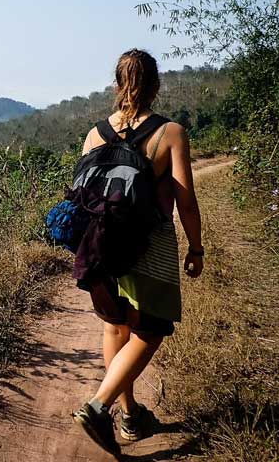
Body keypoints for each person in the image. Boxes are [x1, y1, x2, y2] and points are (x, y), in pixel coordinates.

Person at [72, 49, 204, 456]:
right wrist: (196, 246)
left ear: (116, 84)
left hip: (100, 245)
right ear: (156, 86)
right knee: (151, 330)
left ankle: (130, 417)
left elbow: (83, 196)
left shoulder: (93, 134)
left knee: (116, 329)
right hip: (150, 246)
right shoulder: (170, 133)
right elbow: (186, 199)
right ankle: (98, 407)